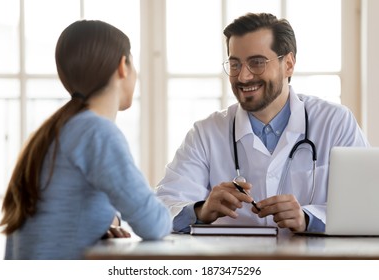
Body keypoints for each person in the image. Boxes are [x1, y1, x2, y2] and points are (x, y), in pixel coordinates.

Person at [156, 12, 369, 234]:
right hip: (235, 266)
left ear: (288, 64)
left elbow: (367, 205)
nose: (243, 77)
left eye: (257, 63)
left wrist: (308, 218)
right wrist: (201, 209)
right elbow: (161, 209)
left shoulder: (335, 122)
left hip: (313, 264)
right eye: (235, 64)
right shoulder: (206, 133)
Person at [0, 20, 172, 259]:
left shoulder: (54, 131)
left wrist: (101, 221)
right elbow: (155, 223)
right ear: (123, 66)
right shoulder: (97, 132)